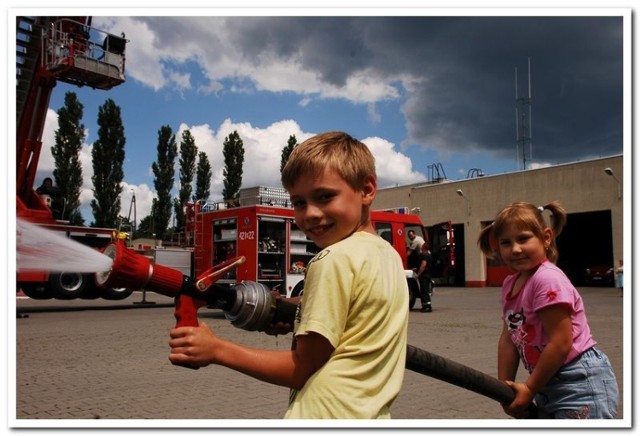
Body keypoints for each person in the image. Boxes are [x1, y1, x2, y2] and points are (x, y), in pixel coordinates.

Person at [169, 131, 409, 419]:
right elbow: (355, 315)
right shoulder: (388, 256)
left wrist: (216, 349)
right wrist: (293, 310)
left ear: (367, 189)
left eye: (324, 196)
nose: (310, 214)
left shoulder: (332, 260)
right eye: (299, 202)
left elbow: (299, 369)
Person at [477, 201, 619, 419]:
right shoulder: (509, 285)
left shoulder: (546, 278)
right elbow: (509, 338)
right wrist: (504, 390)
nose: (515, 249)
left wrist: (530, 388)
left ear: (546, 237)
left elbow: (561, 342)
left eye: (523, 238)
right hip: (548, 381)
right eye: (506, 242)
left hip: (579, 381)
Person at [416, 242, 433, 312]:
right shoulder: (429, 255)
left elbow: (423, 265)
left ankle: (427, 307)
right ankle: (426, 306)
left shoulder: (424, 255)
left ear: (424, 248)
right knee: (425, 291)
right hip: (427, 275)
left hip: (424, 276)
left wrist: (418, 274)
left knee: (424, 291)